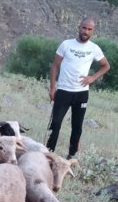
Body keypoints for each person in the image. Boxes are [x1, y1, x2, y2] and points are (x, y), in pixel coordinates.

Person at [47, 17, 110, 159]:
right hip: (63, 91)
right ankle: (49, 153)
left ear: (92, 31)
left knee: (77, 126)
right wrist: (52, 88)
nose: (86, 31)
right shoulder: (66, 44)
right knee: (55, 123)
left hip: (81, 93)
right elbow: (55, 66)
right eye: (84, 28)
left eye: (89, 29)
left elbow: (106, 65)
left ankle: (71, 156)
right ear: (79, 27)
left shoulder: (94, 49)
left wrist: (92, 78)